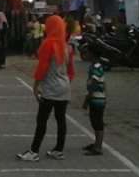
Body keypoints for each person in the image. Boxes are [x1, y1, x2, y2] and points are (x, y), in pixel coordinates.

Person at [18, 15, 75, 162]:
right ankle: (58, 150)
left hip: (50, 88)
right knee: (61, 119)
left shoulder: (48, 44)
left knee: (42, 120)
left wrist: (36, 85)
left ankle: (34, 151)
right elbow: (71, 71)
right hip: (65, 87)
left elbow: (42, 67)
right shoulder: (67, 46)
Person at [81, 48, 106, 156]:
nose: (86, 55)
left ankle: (98, 147)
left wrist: (87, 99)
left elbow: (94, 84)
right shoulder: (95, 66)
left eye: (88, 53)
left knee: (97, 121)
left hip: (97, 98)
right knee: (94, 120)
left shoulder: (96, 67)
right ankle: (96, 143)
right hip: (98, 97)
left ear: (93, 55)